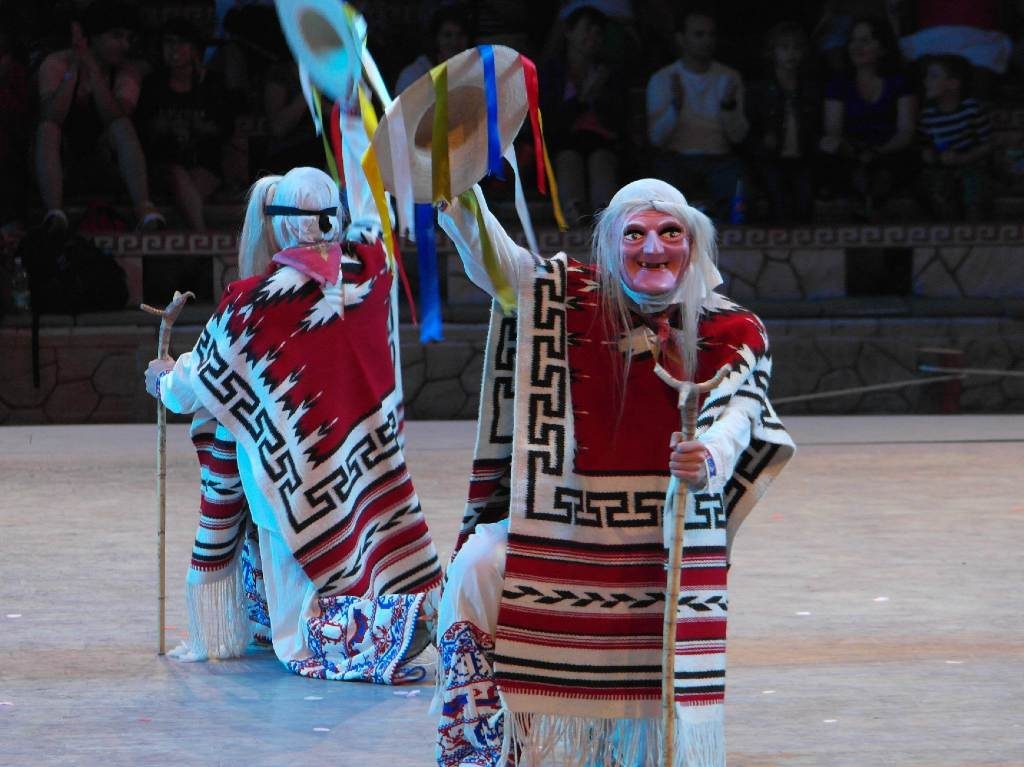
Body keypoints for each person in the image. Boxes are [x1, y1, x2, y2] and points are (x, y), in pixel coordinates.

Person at [432, 177, 794, 766]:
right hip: (563, 533)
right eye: (635, 234)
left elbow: (741, 413)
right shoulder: (565, 298)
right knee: (477, 565)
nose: (653, 248)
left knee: (639, 741)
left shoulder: (734, 329)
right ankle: (488, 747)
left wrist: (707, 457)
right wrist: (457, 191)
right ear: (611, 244)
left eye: (669, 232)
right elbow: (496, 263)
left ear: (693, 244)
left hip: (657, 543)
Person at [143, 109, 442, 682]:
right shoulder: (370, 268)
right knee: (353, 558)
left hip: (292, 480)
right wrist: (355, 122)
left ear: (277, 225)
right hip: (362, 461)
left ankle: (371, 638)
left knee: (298, 627)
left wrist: (162, 375)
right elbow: (374, 202)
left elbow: (192, 387)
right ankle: (388, 616)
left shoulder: (251, 303)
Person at [34, 0, 165, 232]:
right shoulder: (55, 63)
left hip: (106, 162)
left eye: (128, 38)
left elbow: (115, 116)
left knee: (122, 126)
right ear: (93, 37)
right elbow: (52, 115)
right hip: (63, 161)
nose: (125, 45)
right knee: (47, 129)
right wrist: (74, 69)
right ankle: (54, 211)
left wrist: (93, 70)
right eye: (117, 36)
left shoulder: (126, 71)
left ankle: (143, 207)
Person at [646, 6, 748, 221]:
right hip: (676, 160)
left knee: (737, 191)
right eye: (699, 34)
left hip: (720, 160)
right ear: (681, 39)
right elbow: (656, 138)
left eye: (711, 35)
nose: (707, 41)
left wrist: (728, 106)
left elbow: (738, 136)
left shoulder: (729, 77)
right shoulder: (663, 79)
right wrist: (675, 106)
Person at [136, 18, 233, 231]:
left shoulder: (212, 85)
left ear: (194, 48)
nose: (174, 49)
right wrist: (160, 128)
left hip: (205, 164)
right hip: (164, 164)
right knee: (177, 175)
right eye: (168, 43)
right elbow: (142, 130)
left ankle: (194, 248)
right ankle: (202, 239)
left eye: (181, 43)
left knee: (188, 188)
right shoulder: (152, 85)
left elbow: (225, 128)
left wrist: (201, 127)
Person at [819, 16, 918, 219]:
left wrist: (879, 151)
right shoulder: (838, 84)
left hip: (890, 150)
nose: (857, 46)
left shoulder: (901, 83)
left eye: (865, 41)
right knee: (827, 149)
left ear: (883, 48)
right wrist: (855, 151)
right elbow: (834, 131)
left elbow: (906, 131)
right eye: (854, 40)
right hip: (851, 151)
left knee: (907, 160)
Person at [540, 5, 624, 226]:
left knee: (601, 160)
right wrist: (581, 99)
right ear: (569, 32)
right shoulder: (552, 73)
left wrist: (599, 96)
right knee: (569, 158)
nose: (592, 37)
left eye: (598, 33)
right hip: (563, 140)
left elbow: (617, 120)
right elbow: (550, 120)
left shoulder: (609, 73)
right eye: (587, 30)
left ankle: (606, 220)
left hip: (602, 141)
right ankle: (573, 218)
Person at [744, 22, 821, 224]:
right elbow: (749, 129)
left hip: (803, 159)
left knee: (805, 206)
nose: (791, 53)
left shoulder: (810, 89)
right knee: (777, 205)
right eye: (784, 47)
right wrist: (764, 143)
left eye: (796, 47)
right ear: (773, 52)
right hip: (771, 160)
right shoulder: (759, 90)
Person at [917, 54, 993, 220]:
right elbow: (924, 147)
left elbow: (987, 144)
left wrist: (964, 158)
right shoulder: (928, 116)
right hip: (941, 167)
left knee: (974, 184)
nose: (926, 81)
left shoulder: (971, 109)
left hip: (970, 163)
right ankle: (948, 227)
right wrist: (935, 158)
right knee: (936, 186)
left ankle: (974, 227)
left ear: (953, 84)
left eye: (934, 76)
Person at [395, 4, 471, 95]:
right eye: (447, 35)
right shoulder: (414, 76)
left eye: (460, 35)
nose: (455, 42)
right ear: (436, 39)